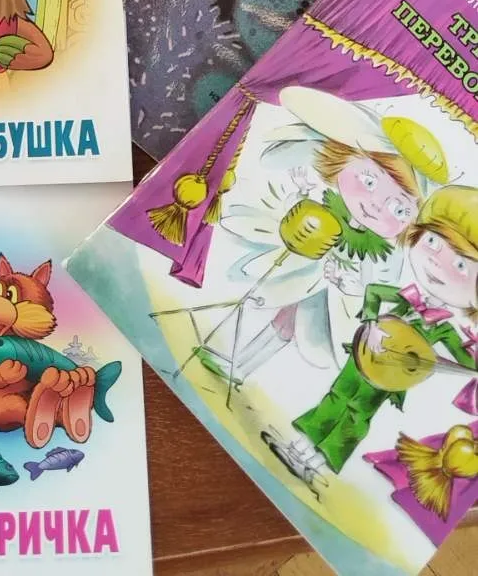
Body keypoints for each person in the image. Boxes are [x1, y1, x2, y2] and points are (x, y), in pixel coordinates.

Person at [200, 88, 446, 388]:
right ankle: (236, 363)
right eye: (369, 181)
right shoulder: (332, 202)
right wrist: (302, 190)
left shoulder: (383, 249)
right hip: (300, 267)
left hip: (327, 292)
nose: (375, 205)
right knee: (274, 310)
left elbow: (379, 282)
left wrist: (348, 282)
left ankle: (238, 366)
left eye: (398, 208)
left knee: (289, 323)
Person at [270, 185, 478, 484]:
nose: (437, 262)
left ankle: (315, 464)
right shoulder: (407, 298)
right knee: (335, 398)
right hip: (364, 354)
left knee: (356, 416)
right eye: (432, 241)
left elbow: (465, 363)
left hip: (388, 378)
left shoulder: (443, 328)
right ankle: (298, 448)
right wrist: (371, 325)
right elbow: (374, 292)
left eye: (460, 264)